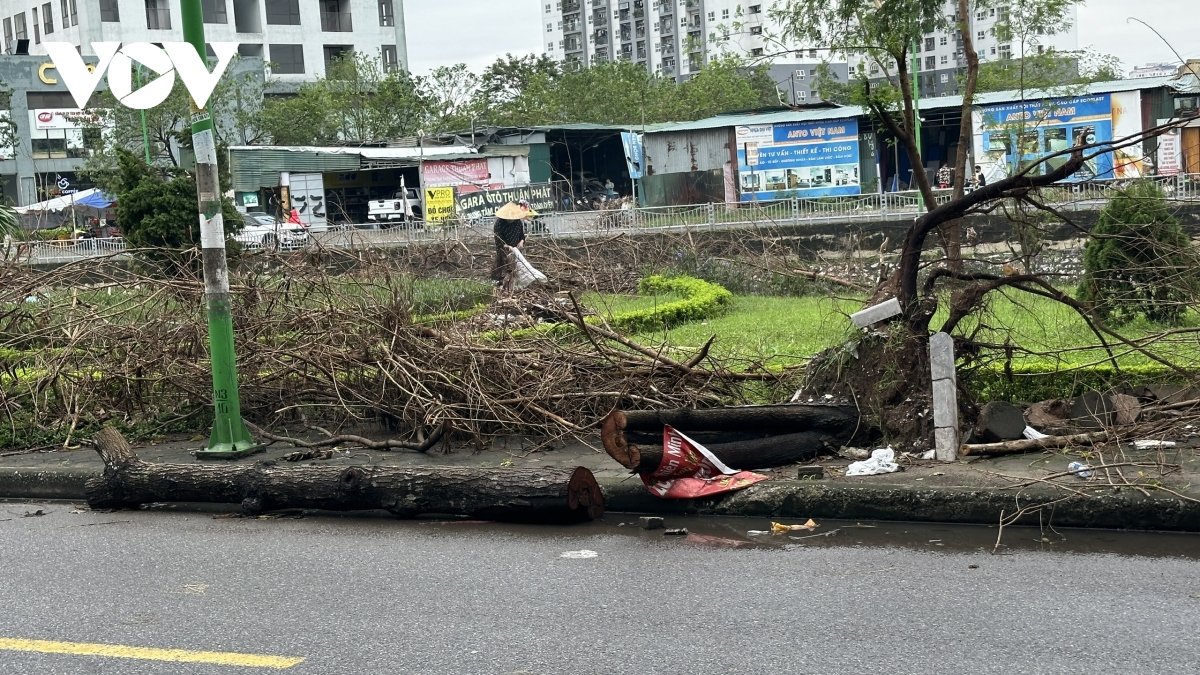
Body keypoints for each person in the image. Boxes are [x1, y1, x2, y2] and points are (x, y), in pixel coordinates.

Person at [491, 201, 527, 290]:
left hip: (516, 250)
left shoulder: (517, 222)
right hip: (504, 250)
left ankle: (516, 284)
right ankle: (502, 284)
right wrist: (508, 246)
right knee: (504, 267)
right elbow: (498, 240)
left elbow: (521, 235)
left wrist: (522, 241)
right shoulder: (499, 224)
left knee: (517, 268)